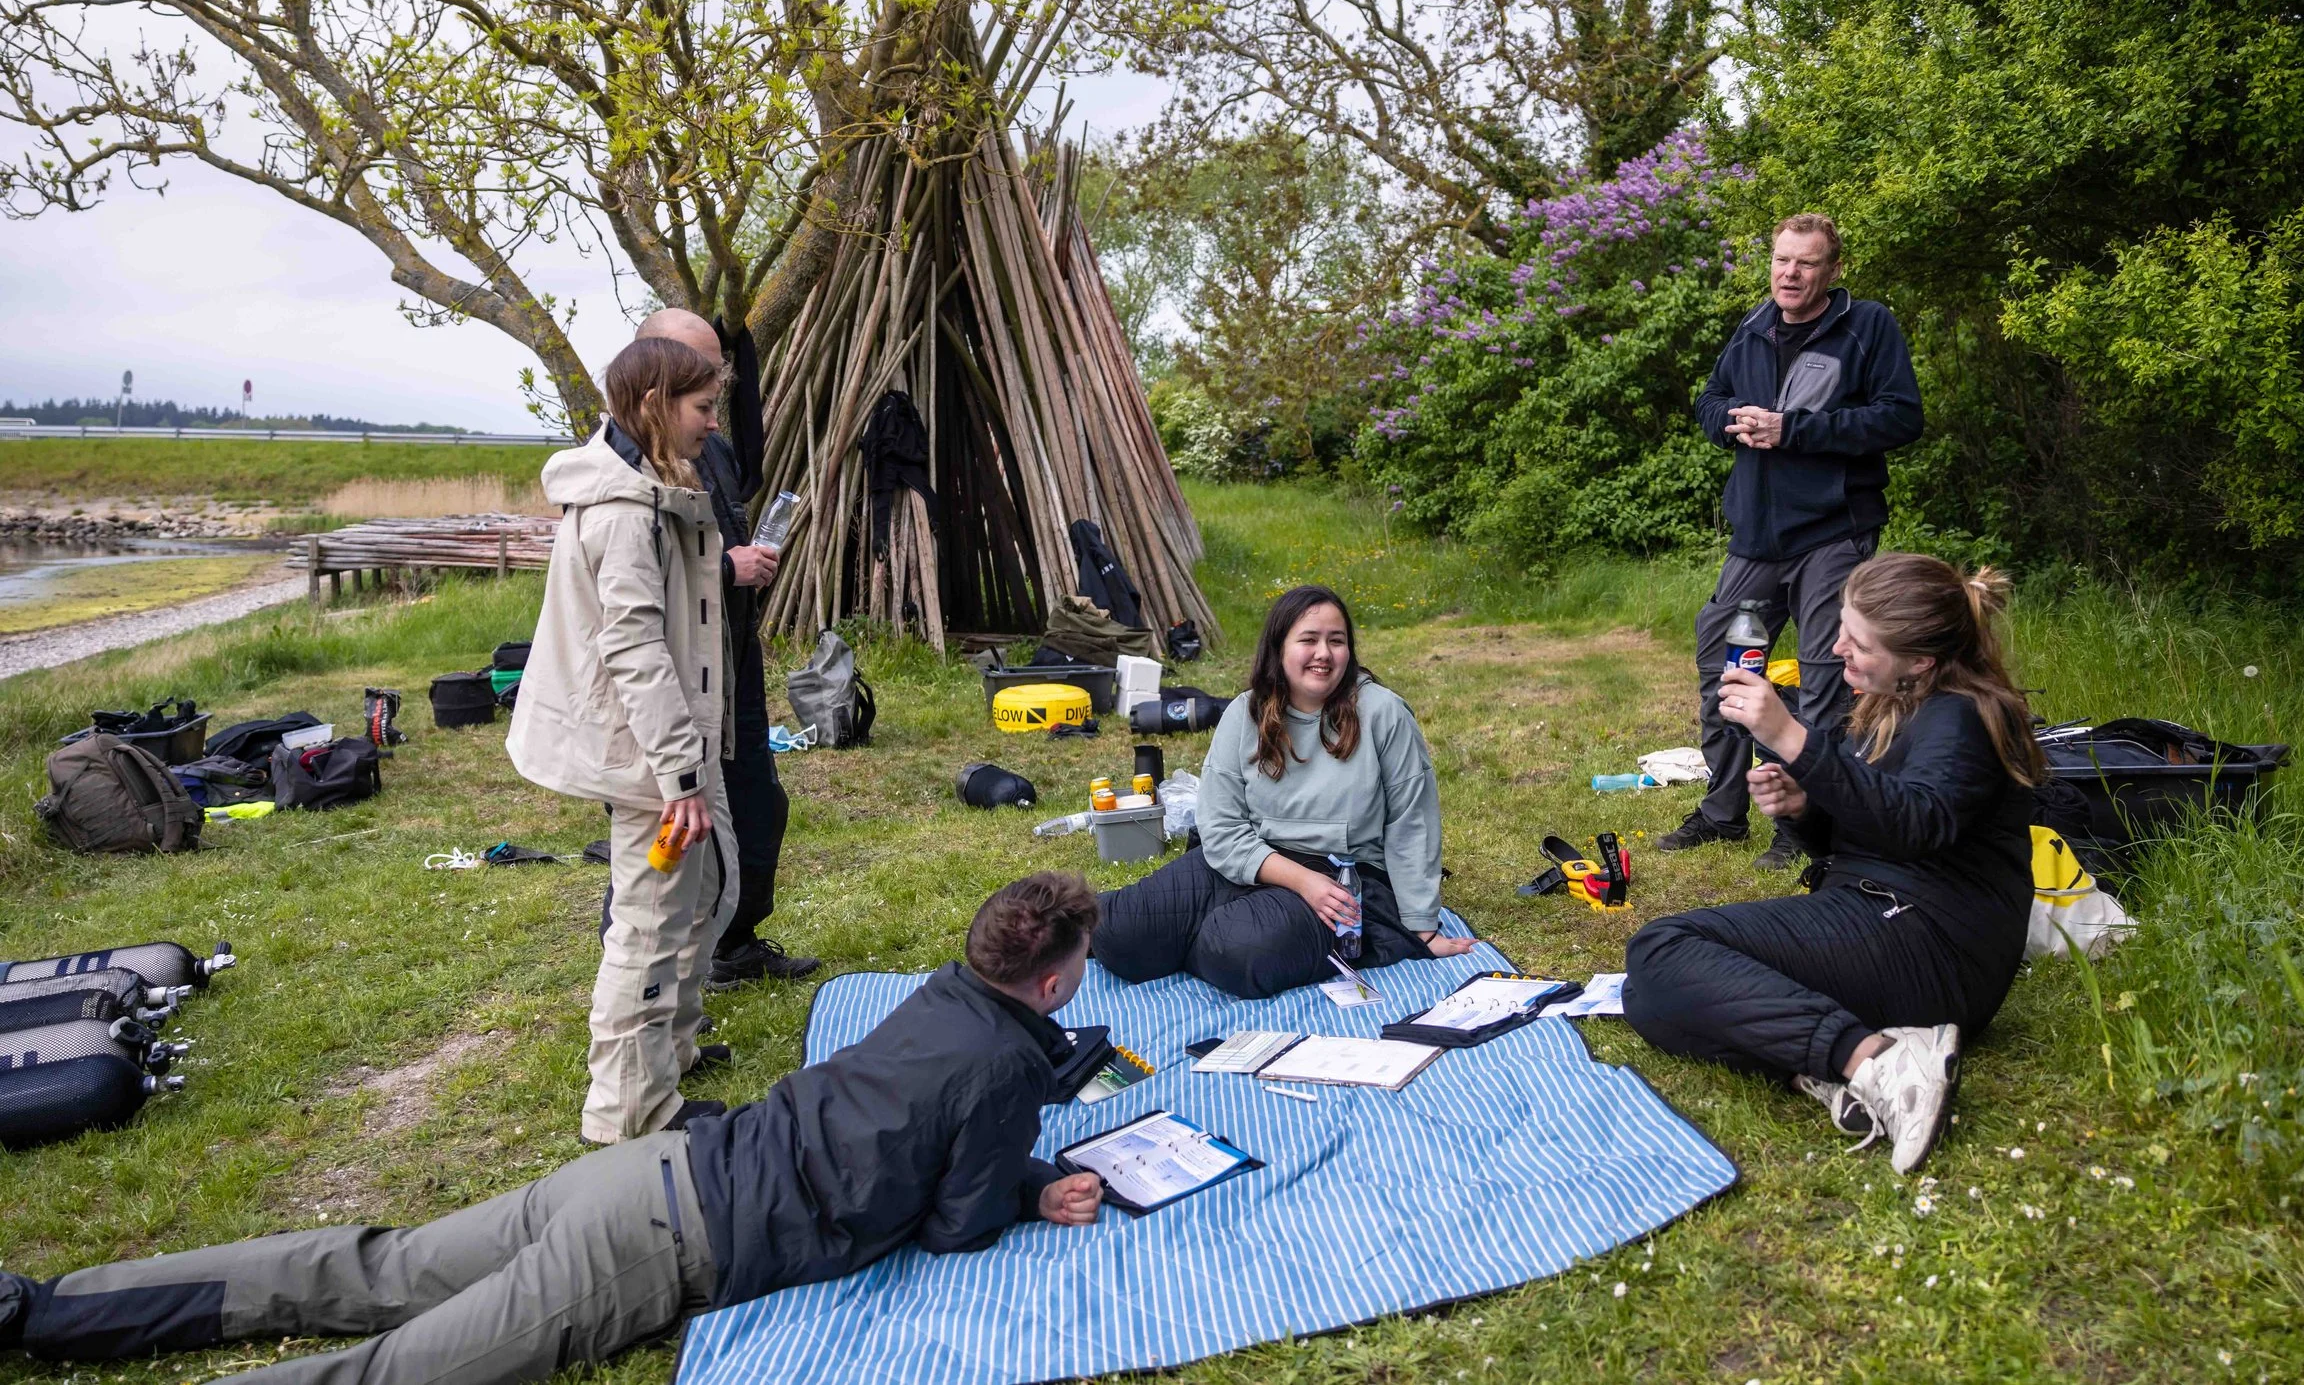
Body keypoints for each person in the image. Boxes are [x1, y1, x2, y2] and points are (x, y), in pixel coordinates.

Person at [0, 874, 1108, 1384]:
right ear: (1055, 980)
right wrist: (1025, 1184)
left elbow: (918, 1112)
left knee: (372, 1263)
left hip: (643, 1167)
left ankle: (42, 1308)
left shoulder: (935, 993)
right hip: (654, 1247)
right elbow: (959, 1224)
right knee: (385, 1370)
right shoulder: (1005, 1067)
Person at [1619, 554, 2042, 1174]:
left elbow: (1919, 824)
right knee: (1648, 1001)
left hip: (1934, 944)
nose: (1838, 646)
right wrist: (1803, 809)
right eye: (1843, 626)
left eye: (1860, 642)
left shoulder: (1963, 716)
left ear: (1920, 661)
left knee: (1664, 948)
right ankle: (1837, 1069)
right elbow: (1861, 835)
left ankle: (1876, 1062)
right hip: (1880, 914)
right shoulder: (1882, 706)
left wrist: (1794, 738)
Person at [508, 336, 742, 1144]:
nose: (714, 424)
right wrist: (681, 775)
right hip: (649, 758)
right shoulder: (619, 511)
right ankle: (624, 1117)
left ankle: (664, 1074)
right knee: (647, 923)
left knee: (688, 906)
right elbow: (635, 650)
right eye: (703, 408)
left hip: (669, 748)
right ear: (654, 406)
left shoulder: (649, 487)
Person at [1664, 213, 1924, 868]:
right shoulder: (1753, 328)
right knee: (1724, 664)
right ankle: (1723, 813)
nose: (1790, 273)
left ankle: (1803, 821)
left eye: (1806, 263)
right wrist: (1729, 422)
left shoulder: (1866, 327)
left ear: (1832, 270)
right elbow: (1709, 398)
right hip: (1756, 537)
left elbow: (1901, 416)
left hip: (1833, 533)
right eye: (1782, 260)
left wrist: (1795, 429)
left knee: (1824, 678)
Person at [1090, 584, 1474, 999]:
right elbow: (1219, 826)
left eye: (1336, 640)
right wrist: (1297, 880)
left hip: (1344, 878)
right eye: (1308, 640)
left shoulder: (1383, 713)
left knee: (1235, 952)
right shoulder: (1244, 712)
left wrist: (1421, 928)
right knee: (1117, 934)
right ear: (1279, 648)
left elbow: (1412, 822)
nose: (1323, 653)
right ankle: (1194, 934)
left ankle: (1200, 939)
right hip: (1249, 860)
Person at [633, 308, 819, 988]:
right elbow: (636, 587)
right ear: (657, 374)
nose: (716, 405)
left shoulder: (703, 443)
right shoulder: (631, 468)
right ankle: (642, 988)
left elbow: (723, 523)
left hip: (731, 662)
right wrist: (726, 569)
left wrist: (745, 561)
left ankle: (731, 945)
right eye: (704, 385)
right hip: (674, 679)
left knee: (758, 807)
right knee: (661, 845)